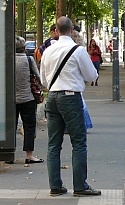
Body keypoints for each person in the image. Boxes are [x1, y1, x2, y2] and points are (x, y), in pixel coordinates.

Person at [40, 16, 100, 197]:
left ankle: (55, 186)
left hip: (52, 97)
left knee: (53, 144)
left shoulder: (48, 51)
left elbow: (44, 80)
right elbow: (91, 76)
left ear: (56, 31)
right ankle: (80, 186)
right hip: (71, 98)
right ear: (72, 30)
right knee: (79, 143)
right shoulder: (78, 50)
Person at [11, 36, 45, 164]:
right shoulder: (29, 59)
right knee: (29, 126)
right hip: (27, 98)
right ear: (24, 48)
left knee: (11, 127)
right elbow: (38, 76)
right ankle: (29, 155)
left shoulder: (8, 59)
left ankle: (10, 154)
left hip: (11, 100)